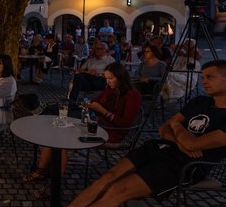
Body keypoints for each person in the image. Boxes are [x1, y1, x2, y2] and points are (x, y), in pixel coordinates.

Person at [21, 60, 226, 207]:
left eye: (209, 77)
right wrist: (181, 138)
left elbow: (192, 142)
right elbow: (165, 128)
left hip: (186, 166)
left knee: (118, 190)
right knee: (109, 175)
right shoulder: (201, 101)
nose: (204, 81)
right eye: (203, 77)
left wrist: (179, 131)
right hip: (160, 148)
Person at [23, 63, 142, 196]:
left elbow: (125, 122)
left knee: (61, 141)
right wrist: (88, 104)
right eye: (106, 78)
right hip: (95, 124)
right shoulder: (110, 89)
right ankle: (41, 170)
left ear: (121, 78)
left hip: (111, 133)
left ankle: (53, 184)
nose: (107, 82)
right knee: (57, 126)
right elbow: (95, 100)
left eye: (111, 79)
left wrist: (102, 110)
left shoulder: (133, 95)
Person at [67, 42, 114, 108]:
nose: (96, 51)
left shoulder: (110, 60)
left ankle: (72, 101)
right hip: (88, 81)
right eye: (95, 49)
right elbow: (78, 70)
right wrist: (87, 71)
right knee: (78, 77)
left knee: (80, 78)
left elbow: (112, 74)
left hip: (100, 81)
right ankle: (72, 102)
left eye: (98, 49)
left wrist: (98, 74)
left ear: (104, 50)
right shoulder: (91, 60)